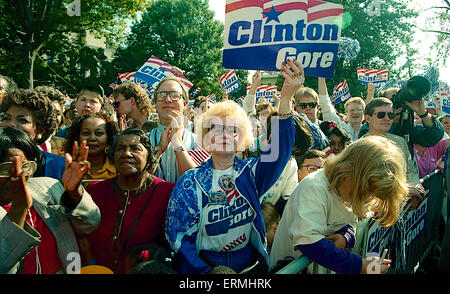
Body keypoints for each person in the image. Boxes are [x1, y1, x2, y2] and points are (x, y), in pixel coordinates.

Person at [165, 59, 302, 274]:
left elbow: (280, 150)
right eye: (215, 128)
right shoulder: (190, 182)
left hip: (250, 266)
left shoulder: (251, 173)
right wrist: (206, 272)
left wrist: (286, 97)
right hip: (205, 266)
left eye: (232, 129)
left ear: (242, 137)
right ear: (204, 136)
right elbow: (179, 238)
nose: (224, 135)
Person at [269, 136, 410, 274]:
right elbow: (309, 242)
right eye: (367, 190)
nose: (367, 197)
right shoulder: (314, 187)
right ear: (350, 171)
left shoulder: (348, 189)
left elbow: (351, 222)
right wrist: (361, 266)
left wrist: (345, 236)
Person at [0, 126, 101, 274]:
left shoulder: (48, 187)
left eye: (27, 166)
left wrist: (74, 193)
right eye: (7, 168)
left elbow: (91, 223)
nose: (20, 174)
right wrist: (19, 207)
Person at [78, 128, 176, 273]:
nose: (126, 153)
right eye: (120, 148)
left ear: (149, 156)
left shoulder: (167, 192)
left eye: (135, 148)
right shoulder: (95, 190)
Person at [149, 76, 207, 183]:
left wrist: (178, 144)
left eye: (174, 95)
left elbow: (199, 182)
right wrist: (158, 151)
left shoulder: (199, 141)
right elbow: (136, 179)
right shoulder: (143, 140)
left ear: (185, 104)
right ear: (156, 103)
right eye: (162, 95)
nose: (167, 99)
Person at [0, 89, 65, 180]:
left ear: (41, 131)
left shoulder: (59, 167)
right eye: (6, 118)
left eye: (22, 120)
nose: (11, 124)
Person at [362, 98, 420, 185]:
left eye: (391, 115)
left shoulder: (400, 141)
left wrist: (416, 186)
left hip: (405, 196)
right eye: (381, 115)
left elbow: (410, 171)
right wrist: (405, 189)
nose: (387, 118)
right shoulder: (361, 146)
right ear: (368, 118)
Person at [64, 113, 119, 181]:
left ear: (109, 137)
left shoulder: (118, 167)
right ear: (77, 137)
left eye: (99, 133)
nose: (92, 138)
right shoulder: (67, 166)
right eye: (86, 133)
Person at [318, 77, 365, 142]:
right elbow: (325, 103)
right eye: (352, 110)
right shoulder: (342, 128)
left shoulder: (370, 131)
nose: (355, 112)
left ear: (364, 113)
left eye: (359, 109)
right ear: (346, 114)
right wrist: (321, 77)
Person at [35, 86, 67, 156]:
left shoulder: (65, 146)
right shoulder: (23, 144)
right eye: (48, 112)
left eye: (57, 113)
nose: (53, 117)